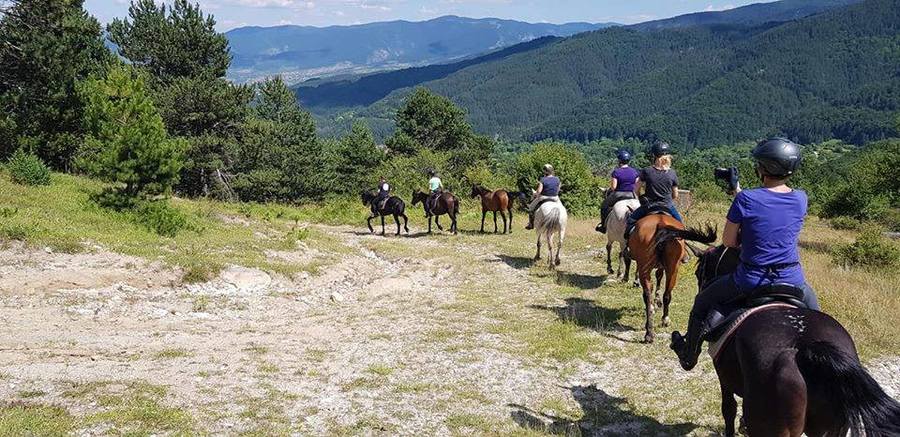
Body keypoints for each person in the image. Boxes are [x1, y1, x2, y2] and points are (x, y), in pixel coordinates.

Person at [670, 137, 821, 371]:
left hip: (750, 280)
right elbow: (771, 208)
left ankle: (689, 354)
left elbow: (729, 241)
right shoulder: (801, 198)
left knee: (702, 302)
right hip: (792, 281)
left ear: (761, 168)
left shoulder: (746, 199)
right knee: (819, 323)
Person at [624, 142, 683, 239]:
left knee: (630, 221)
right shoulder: (672, 173)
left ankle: (627, 245)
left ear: (654, 155)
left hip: (649, 206)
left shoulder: (646, 171)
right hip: (667, 206)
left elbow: (636, 189)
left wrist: (640, 197)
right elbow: (675, 195)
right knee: (681, 226)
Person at [596, 150, 640, 233]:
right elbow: (636, 185)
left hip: (618, 194)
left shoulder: (616, 172)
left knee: (604, 206)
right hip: (631, 194)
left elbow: (613, 187)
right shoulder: (635, 172)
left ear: (619, 161)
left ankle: (603, 226)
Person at [525, 164, 561, 230]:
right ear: (552, 171)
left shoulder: (543, 179)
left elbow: (539, 191)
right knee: (562, 208)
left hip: (544, 197)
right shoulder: (557, 179)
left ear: (545, 171)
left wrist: (535, 193)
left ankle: (531, 224)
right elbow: (558, 190)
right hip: (555, 198)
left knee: (531, 208)